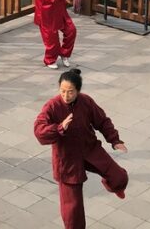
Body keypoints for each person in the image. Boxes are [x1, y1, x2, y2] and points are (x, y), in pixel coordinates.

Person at [34, 69, 128, 229]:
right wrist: (59, 128)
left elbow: (102, 121)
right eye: (62, 91)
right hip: (67, 159)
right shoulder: (52, 106)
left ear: (78, 90)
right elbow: (39, 130)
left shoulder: (86, 101)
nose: (66, 95)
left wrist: (114, 140)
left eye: (70, 91)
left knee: (119, 177)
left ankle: (116, 188)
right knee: (73, 208)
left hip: (89, 149)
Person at [34, 0, 76, 69]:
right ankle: (49, 59)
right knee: (52, 40)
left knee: (71, 31)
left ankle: (64, 53)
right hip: (47, 15)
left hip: (60, 12)